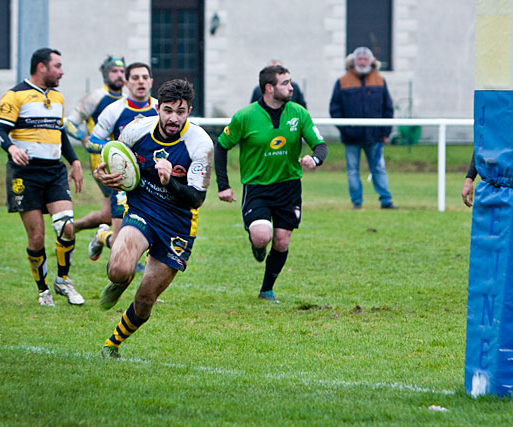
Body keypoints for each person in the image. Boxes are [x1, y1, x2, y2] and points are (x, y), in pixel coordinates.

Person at [93, 79, 213, 359]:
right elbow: (116, 162)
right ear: (158, 108)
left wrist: (170, 181)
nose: (173, 118)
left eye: (180, 112)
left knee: (146, 299)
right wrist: (102, 174)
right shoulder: (136, 130)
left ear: (189, 111)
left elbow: (196, 199)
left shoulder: (201, 144)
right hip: (142, 208)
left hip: (178, 223)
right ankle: (112, 258)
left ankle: (112, 345)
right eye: (168, 110)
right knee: (119, 270)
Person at [215, 65, 327, 303]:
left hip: (289, 187)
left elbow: (320, 144)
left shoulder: (299, 113)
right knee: (261, 236)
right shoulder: (245, 116)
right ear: (269, 88)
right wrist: (223, 185)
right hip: (258, 188)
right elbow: (222, 146)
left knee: (282, 240)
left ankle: (267, 289)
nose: (291, 87)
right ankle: (257, 243)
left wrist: (315, 159)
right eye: (285, 83)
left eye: (290, 82)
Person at [0, 48, 84, 306]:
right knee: (36, 237)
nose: (62, 71)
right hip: (25, 174)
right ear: (41, 67)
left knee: (67, 226)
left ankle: (63, 281)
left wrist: (75, 161)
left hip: (54, 171)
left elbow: (61, 133)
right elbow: (0, 132)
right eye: (57, 65)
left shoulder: (57, 97)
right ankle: (43, 290)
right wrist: (11, 148)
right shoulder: (14, 96)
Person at [85, 62, 158, 263]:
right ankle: (102, 236)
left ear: (151, 81)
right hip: (123, 181)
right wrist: (116, 149)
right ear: (126, 82)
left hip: (153, 182)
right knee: (119, 244)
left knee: (152, 237)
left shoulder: (160, 109)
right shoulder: (114, 110)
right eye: (135, 78)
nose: (140, 81)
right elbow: (92, 142)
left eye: (144, 77)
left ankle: (148, 291)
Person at [329, 46, 397, 210]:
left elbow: (388, 108)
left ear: (371, 61)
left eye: (365, 59)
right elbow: (335, 109)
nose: (362, 62)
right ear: (353, 61)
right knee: (353, 171)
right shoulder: (342, 81)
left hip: (375, 136)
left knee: (379, 168)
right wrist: (346, 129)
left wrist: (385, 132)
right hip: (351, 137)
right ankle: (356, 202)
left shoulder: (380, 80)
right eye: (359, 59)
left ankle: (386, 200)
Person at [64, 56, 126, 232]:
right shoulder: (95, 97)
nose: (119, 75)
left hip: (125, 161)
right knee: (120, 213)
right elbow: (70, 123)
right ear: (106, 74)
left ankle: (72, 228)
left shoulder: (128, 99)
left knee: (108, 215)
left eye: (122, 71)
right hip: (101, 162)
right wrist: (84, 137)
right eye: (115, 71)